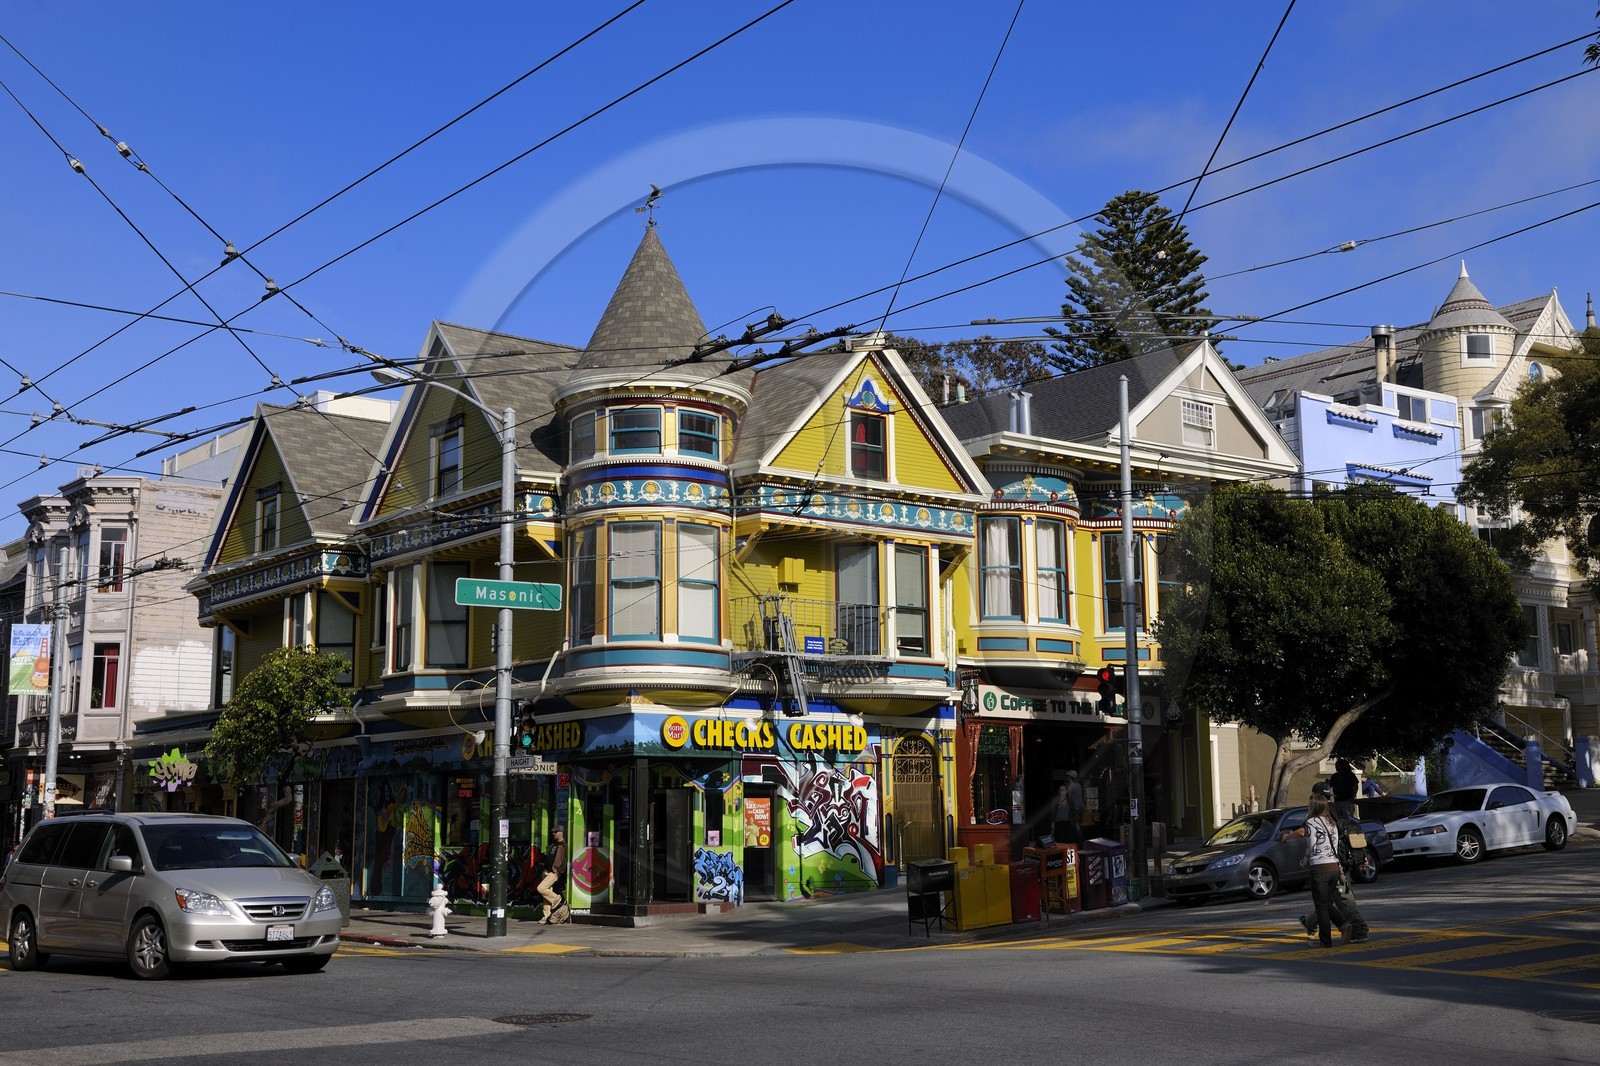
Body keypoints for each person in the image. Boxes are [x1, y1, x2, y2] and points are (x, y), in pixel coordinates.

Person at [1279, 782, 1346, 948]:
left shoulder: (1311, 823)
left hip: (1320, 868)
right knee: (1326, 902)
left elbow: (1313, 846)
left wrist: (1305, 861)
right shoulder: (1332, 823)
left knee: (1321, 906)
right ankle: (1344, 925)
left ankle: (1326, 940)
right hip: (1334, 867)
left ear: (1313, 807)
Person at [537, 825, 568, 924]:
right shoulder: (554, 844)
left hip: (553, 873)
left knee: (541, 888)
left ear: (561, 832)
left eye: (555, 832)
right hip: (546, 871)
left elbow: (563, 861)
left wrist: (558, 871)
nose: (553, 834)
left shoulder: (563, 845)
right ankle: (547, 916)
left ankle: (557, 899)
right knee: (545, 898)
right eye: (553, 832)